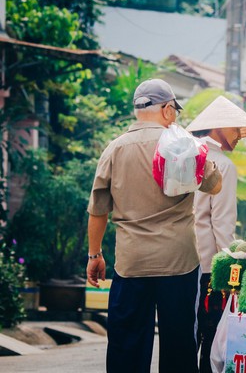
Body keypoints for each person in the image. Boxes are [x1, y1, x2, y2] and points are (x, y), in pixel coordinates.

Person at [86, 78, 222, 373]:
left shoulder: (115, 148)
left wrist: (94, 255)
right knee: (179, 343)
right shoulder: (185, 145)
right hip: (179, 263)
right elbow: (214, 186)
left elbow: (98, 210)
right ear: (169, 110)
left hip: (132, 263)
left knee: (127, 345)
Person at [186, 95, 246, 373]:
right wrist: (232, 267)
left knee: (184, 338)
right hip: (209, 266)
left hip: (178, 262)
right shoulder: (222, 164)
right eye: (236, 129)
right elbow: (221, 222)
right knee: (210, 335)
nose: (240, 136)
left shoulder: (184, 158)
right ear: (218, 127)